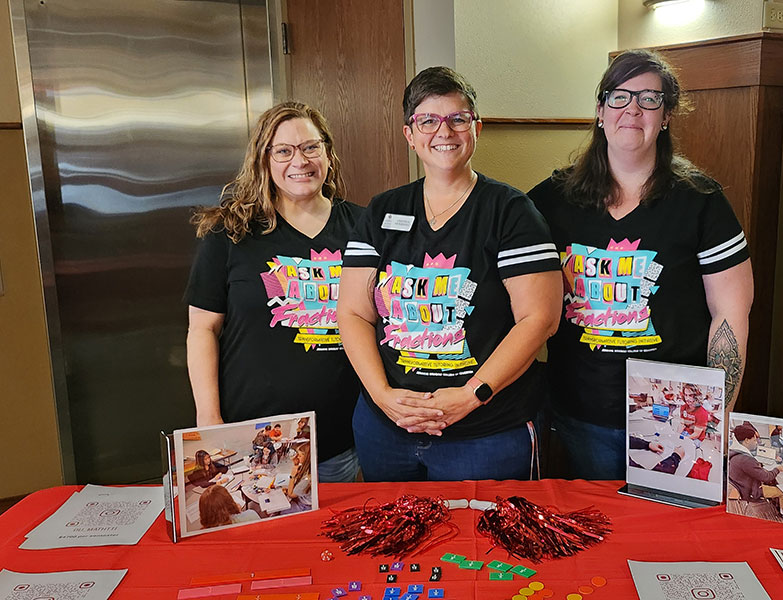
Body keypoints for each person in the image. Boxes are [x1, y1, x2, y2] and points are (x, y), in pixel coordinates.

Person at [528, 49, 753, 480]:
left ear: (666, 115)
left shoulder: (701, 201)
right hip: (580, 413)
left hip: (675, 420)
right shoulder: (550, 200)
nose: (633, 108)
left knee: (664, 540)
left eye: (650, 98)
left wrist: (713, 415)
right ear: (600, 110)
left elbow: (731, 313)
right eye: (619, 96)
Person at [338, 66, 562, 482]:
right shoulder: (382, 211)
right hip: (387, 430)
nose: (444, 131)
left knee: (484, 545)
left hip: (485, 432)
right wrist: (382, 396)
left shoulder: (511, 212)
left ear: (476, 128)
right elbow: (352, 313)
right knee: (393, 545)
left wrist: (471, 395)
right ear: (410, 134)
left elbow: (540, 319)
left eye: (458, 119)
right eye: (428, 120)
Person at [184, 102, 362, 483]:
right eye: (283, 150)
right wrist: (210, 421)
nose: (300, 160)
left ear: (328, 153)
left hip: (340, 440)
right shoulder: (230, 232)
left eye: (311, 147)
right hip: (250, 441)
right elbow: (202, 329)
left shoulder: (364, 229)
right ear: (263, 160)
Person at [728, 423, 783, 523]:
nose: (756, 442)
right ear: (747, 440)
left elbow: (751, 469)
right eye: (754, 440)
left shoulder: (734, 452)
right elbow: (766, 477)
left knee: (773, 481)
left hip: (743, 486)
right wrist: (777, 469)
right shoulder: (746, 460)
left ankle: (777, 504)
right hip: (751, 491)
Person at [283, 444, 313, 512]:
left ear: (306, 458)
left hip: (305, 505)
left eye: (299, 455)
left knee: (280, 511)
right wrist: (296, 464)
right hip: (301, 499)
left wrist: (292, 476)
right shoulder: (307, 469)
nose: (297, 457)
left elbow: (291, 494)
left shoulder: (307, 478)